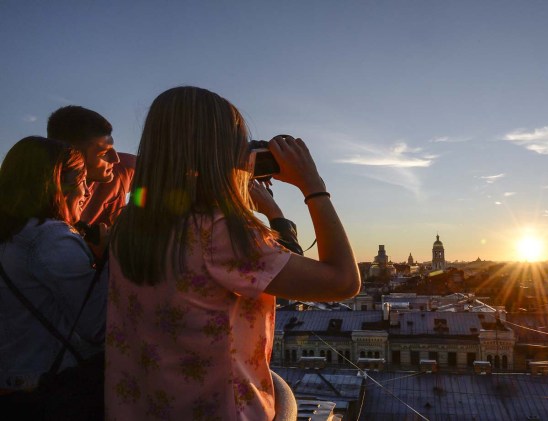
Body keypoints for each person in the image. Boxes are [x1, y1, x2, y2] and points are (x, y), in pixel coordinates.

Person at [105, 86, 361, 420]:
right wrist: (313, 186)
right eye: (240, 142)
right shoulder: (218, 231)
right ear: (219, 151)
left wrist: (242, 197)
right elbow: (343, 282)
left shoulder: (129, 223)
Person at [0, 137, 107, 417]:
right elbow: (98, 326)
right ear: (56, 184)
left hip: (12, 381)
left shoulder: (11, 235)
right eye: (81, 179)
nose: (86, 190)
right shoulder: (51, 237)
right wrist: (109, 260)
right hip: (55, 387)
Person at [47, 106, 136, 250]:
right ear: (72, 156)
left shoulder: (124, 169)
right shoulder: (44, 208)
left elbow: (170, 176)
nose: (116, 159)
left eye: (112, 148)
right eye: (103, 154)